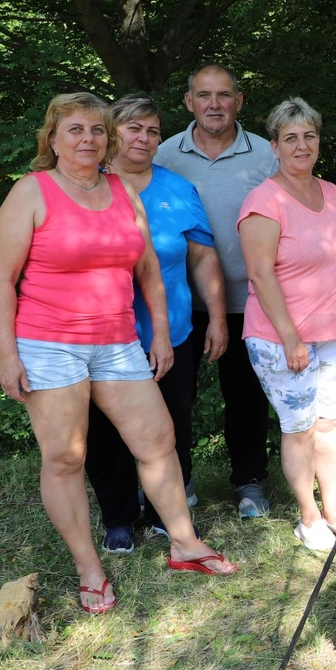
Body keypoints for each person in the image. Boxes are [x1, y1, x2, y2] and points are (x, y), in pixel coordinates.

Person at [0, 93, 237, 613]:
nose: (88, 139)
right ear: (53, 139)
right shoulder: (32, 191)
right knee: (65, 457)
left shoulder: (122, 190)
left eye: (97, 130)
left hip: (118, 340)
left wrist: (161, 334)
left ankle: (185, 544)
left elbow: (148, 269)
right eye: (75, 130)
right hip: (49, 344)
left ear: (108, 139)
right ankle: (90, 568)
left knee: (158, 440)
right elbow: (1, 280)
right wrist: (8, 356)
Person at [85, 94, 227, 553]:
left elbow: (202, 257)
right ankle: (119, 516)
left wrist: (217, 317)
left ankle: (169, 513)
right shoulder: (87, 187)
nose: (144, 138)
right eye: (134, 128)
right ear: (112, 133)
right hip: (104, 336)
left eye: (152, 131)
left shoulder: (178, 188)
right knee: (105, 429)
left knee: (172, 424)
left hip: (173, 333)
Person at [155, 63, 279, 518]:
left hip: (251, 298)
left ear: (238, 102)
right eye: (204, 95)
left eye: (223, 95)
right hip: (182, 300)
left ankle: (249, 481)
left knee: (246, 397)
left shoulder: (267, 154)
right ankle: (179, 480)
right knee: (174, 397)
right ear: (189, 101)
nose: (214, 104)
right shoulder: (164, 154)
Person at [239, 98, 336, 551]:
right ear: (274, 146)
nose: (301, 145)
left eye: (309, 135)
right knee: (301, 428)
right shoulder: (264, 201)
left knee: (328, 424)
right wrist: (291, 338)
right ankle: (309, 518)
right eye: (290, 138)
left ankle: (333, 511)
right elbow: (260, 273)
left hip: (335, 334)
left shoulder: (335, 196)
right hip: (281, 338)